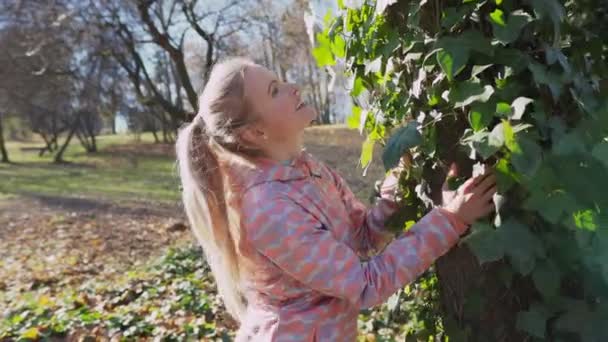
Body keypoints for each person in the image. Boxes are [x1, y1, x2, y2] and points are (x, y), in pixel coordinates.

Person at [175, 57, 497, 341]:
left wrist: (400, 178)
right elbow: (366, 284)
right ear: (253, 133)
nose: (294, 88)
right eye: (275, 90)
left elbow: (363, 237)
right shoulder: (270, 210)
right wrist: (451, 220)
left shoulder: (306, 170)